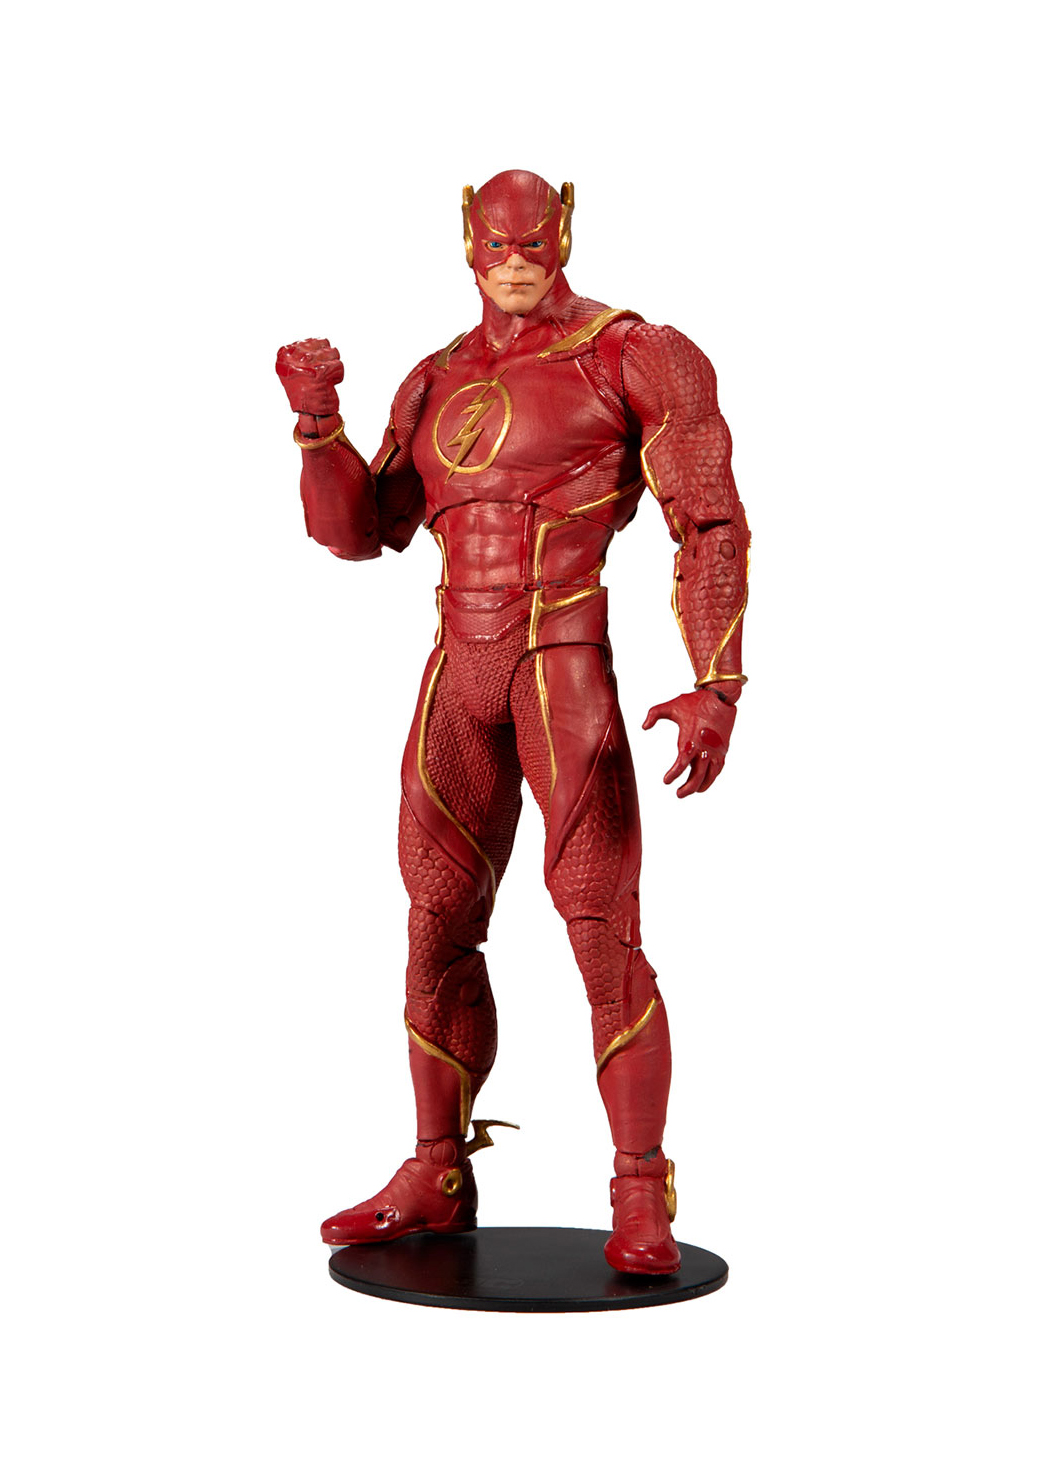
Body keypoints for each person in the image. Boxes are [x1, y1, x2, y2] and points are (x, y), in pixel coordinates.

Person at [275, 169, 749, 1274]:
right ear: (467, 240)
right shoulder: (435, 375)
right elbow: (359, 533)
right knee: (434, 922)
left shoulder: (632, 353)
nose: (517, 260)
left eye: (533, 241)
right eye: (498, 244)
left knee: (599, 924)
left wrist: (716, 681)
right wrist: (315, 422)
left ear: (564, 230)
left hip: (562, 662)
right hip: (458, 669)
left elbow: (710, 521)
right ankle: (436, 1169)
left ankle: (641, 1187)